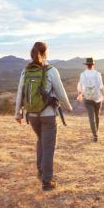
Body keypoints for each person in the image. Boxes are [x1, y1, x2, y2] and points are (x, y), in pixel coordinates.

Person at [14, 42, 72, 191]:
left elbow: (20, 92)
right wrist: (68, 107)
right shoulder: (52, 70)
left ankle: (40, 170)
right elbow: (60, 92)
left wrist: (18, 113)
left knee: (40, 140)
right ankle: (47, 181)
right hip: (48, 115)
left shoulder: (25, 71)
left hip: (32, 116)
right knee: (48, 146)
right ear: (46, 53)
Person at [76, 57, 104, 142]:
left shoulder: (82, 74)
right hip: (97, 97)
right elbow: (101, 86)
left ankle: (95, 135)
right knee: (97, 116)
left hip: (87, 98)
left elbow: (80, 86)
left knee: (91, 117)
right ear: (93, 65)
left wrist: (80, 95)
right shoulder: (97, 74)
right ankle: (96, 133)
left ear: (86, 65)